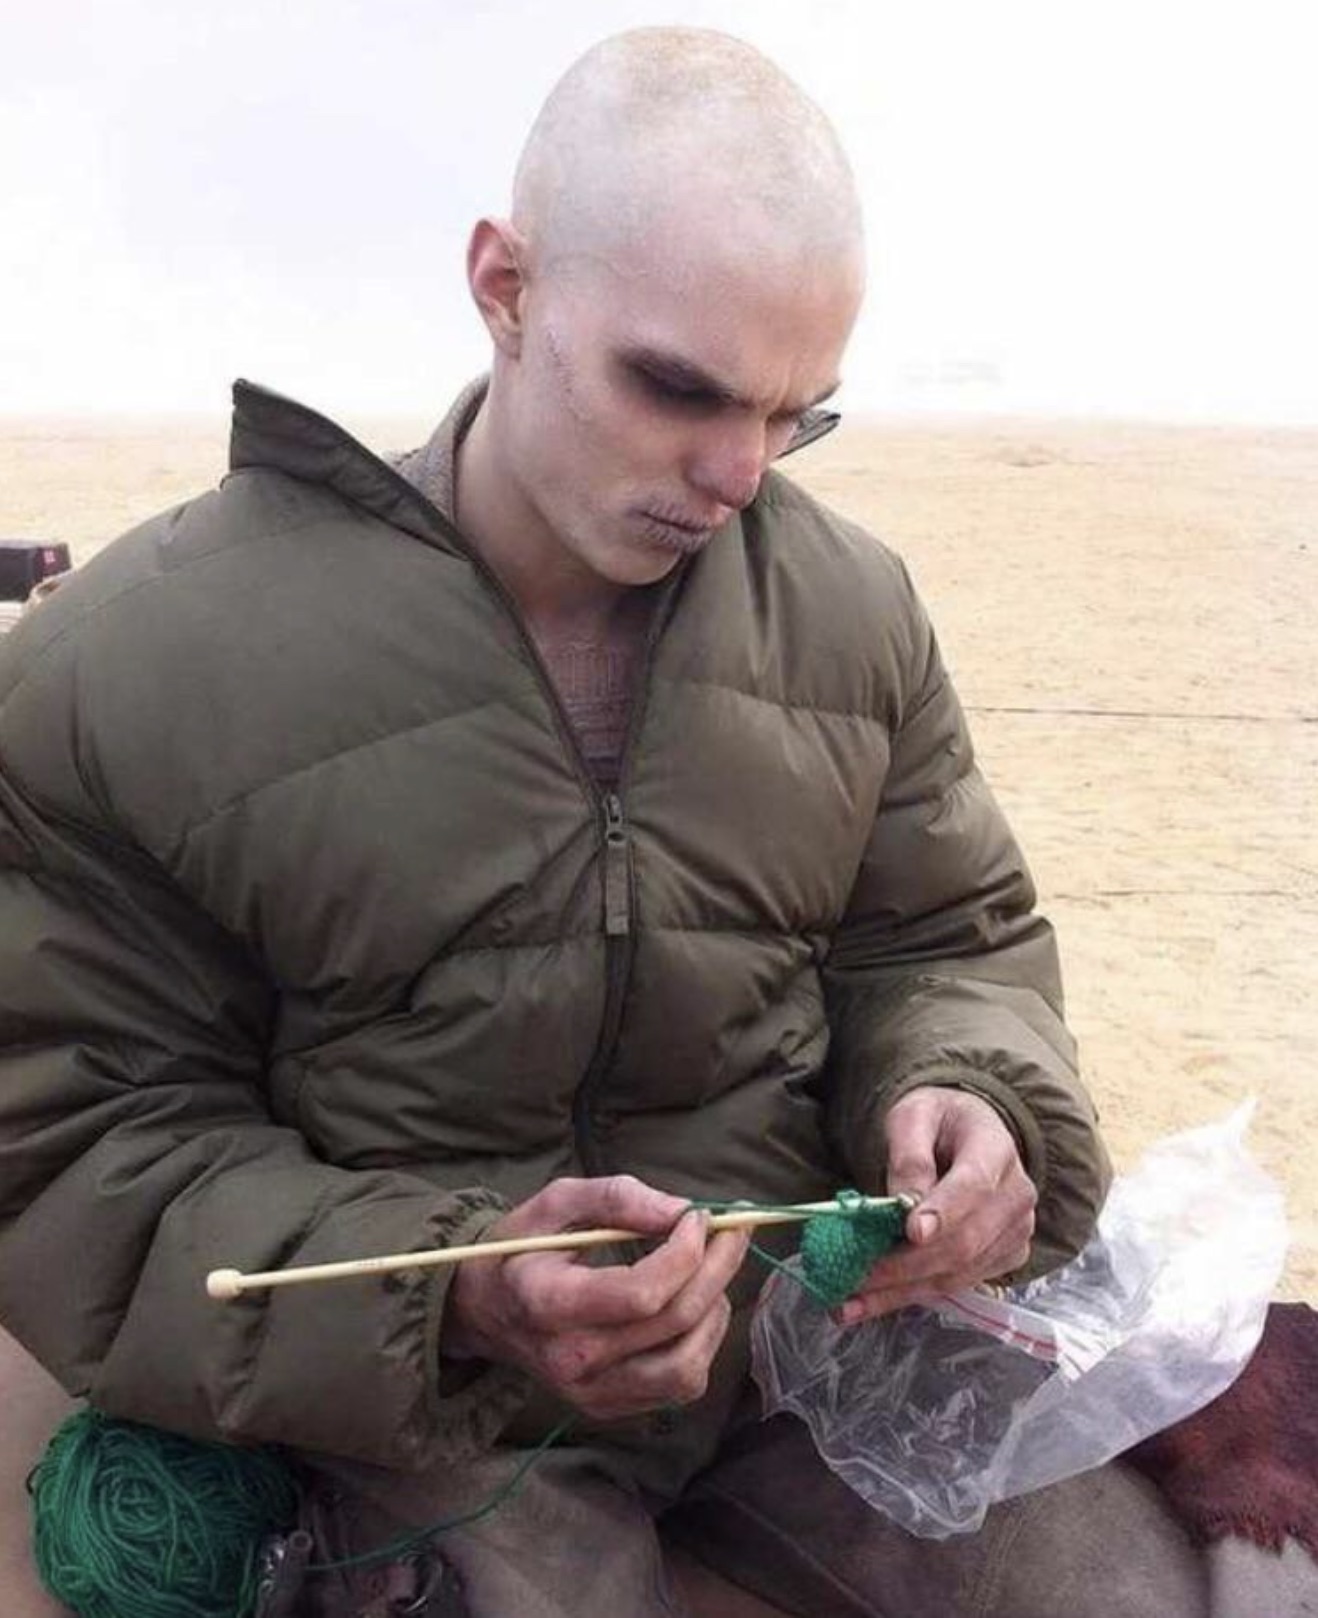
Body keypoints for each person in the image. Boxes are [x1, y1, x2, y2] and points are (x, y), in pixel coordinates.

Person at [0, 26, 1220, 1618]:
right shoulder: (144, 663)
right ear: (504, 285)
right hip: (419, 1396)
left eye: (798, 414)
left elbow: (945, 936)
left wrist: (968, 1091)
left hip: (803, 1351)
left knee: (1121, 1593)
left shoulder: (849, 612)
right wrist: (460, 1290)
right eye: (676, 387)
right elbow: (74, 1134)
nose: (736, 472)